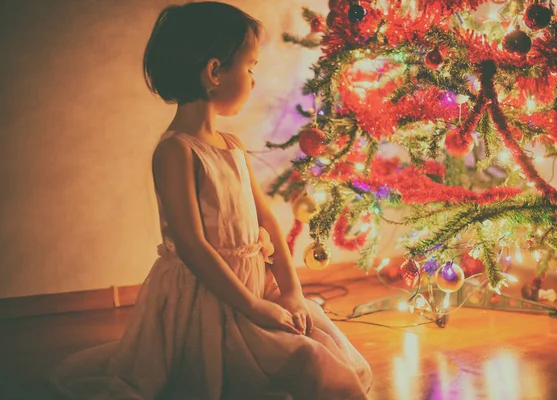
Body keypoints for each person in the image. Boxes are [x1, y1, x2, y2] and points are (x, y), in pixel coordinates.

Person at [51, 2, 372, 399]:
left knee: (318, 342)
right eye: (250, 67)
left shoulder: (232, 146)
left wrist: (291, 291)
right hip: (209, 297)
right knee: (300, 362)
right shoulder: (176, 152)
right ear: (215, 71)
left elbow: (267, 222)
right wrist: (254, 310)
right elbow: (192, 246)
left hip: (255, 284)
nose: (254, 81)